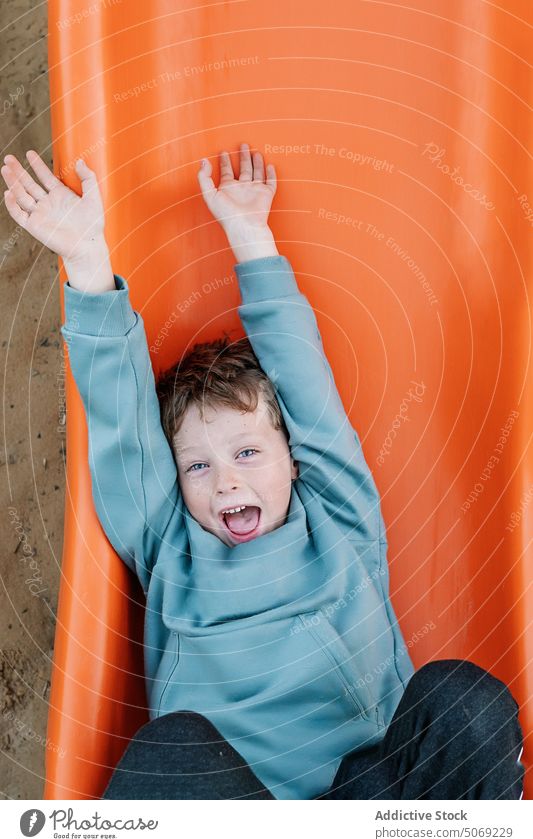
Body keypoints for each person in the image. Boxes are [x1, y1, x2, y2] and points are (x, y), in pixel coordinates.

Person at [1, 145, 525, 801]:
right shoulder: (169, 547)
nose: (224, 480)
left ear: (292, 455)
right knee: (172, 749)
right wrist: (85, 259)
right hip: (243, 815)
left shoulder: (337, 515)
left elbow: (307, 387)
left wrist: (250, 237)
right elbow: (119, 425)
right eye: (197, 464)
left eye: (246, 452)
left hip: (371, 803)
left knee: (460, 697)